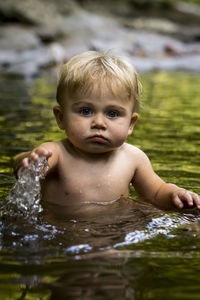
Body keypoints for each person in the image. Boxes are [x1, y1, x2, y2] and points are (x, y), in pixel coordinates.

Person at [14, 51, 200, 211]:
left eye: (112, 113)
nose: (99, 123)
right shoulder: (56, 153)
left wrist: (177, 194)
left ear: (130, 124)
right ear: (61, 118)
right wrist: (28, 161)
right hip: (62, 233)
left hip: (115, 232)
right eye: (85, 111)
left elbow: (157, 193)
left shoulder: (133, 158)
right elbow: (24, 166)